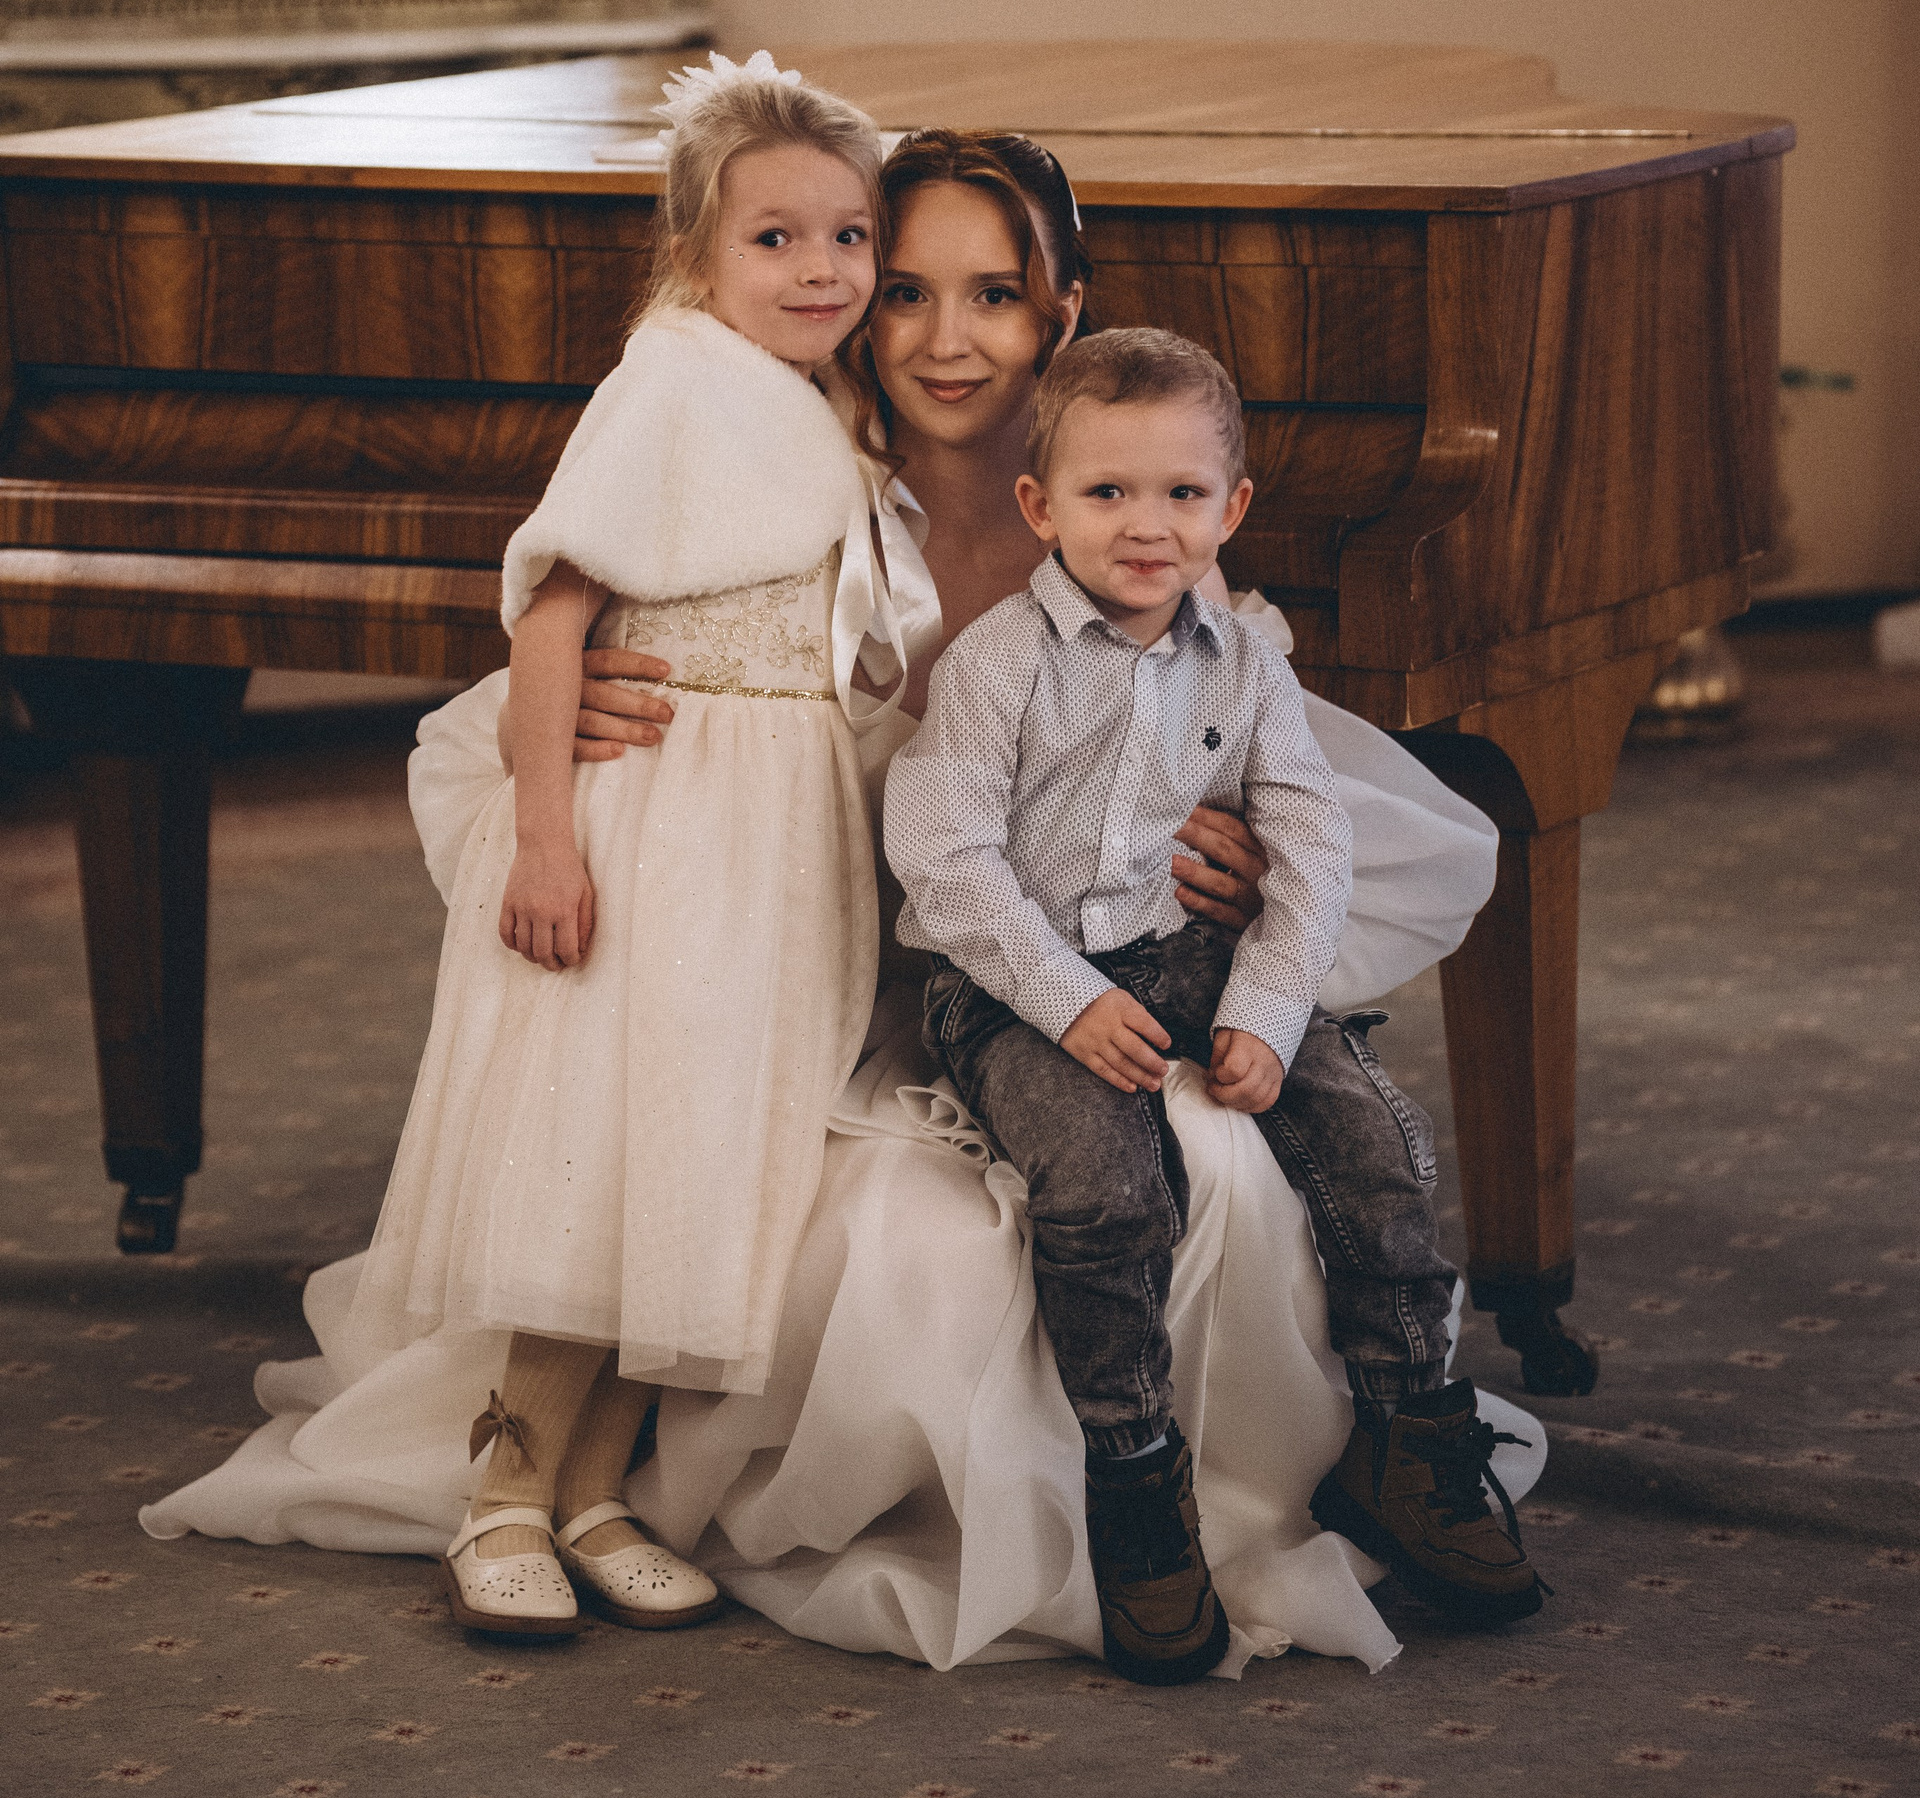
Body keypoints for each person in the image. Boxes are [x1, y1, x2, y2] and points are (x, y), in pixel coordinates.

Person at [145, 122, 1538, 1680]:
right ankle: (568, 1482)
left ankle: (1361, 1451)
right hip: (813, 959)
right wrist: (581, 714)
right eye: (911, 291)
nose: (947, 339)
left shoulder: (1136, 516)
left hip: (1075, 965)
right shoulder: (800, 473)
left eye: (996, 296)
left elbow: (1237, 754)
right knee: (888, 1257)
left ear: (1062, 312)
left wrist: (1234, 847)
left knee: (1232, 1171)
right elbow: (627, 632)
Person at [888, 325, 1542, 1684]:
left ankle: (1410, 1433)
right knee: (1109, 1189)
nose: (1147, 525)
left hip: (1184, 951)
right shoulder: (999, 664)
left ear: (1232, 508)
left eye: (1182, 493)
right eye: (1108, 492)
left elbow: (1311, 839)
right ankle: (1136, 1479)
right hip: (1014, 979)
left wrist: (1271, 1006)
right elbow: (944, 862)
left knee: (1374, 1136)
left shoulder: (1244, 663)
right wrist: (1068, 1002)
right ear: (1041, 507)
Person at [347, 51, 902, 1639]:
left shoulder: (811, 399)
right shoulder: (669, 382)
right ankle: (502, 1498)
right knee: (614, 1149)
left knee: (703, 1156)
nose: (820, 269)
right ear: (694, 252)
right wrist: (544, 838)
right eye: (775, 239)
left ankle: (594, 1495)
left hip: (774, 828)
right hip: (662, 817)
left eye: (849, 237)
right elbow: (554, 612)